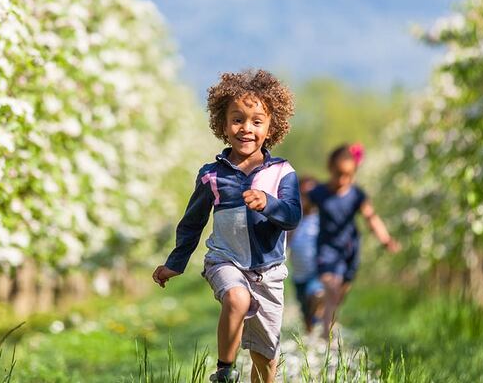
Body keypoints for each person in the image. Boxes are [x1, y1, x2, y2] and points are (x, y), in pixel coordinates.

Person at [152, 69, 300, 383]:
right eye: (237, 120)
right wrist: (175, 264)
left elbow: (292, 216)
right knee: (237, 297)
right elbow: (192, 223)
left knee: (265, 357)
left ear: (271, 127)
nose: (246, 128)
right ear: (222, 124)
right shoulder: (212, 175)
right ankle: (224, 371)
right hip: (225, 260)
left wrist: (268, 202)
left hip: (269, 271)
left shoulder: (282, 172)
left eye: (257, 121)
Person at [308, 143, 401, 341]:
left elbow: (371, 218)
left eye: (348, 175)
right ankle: (327, 336)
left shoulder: (357, 195)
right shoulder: (319, 193)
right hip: (326, 249)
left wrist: (385, 239)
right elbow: (300, 211)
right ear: (330, 169)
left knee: (339, 295)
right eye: (338, 174)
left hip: (349, 250)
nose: (342, 180)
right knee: (332, 289)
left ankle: (319, 302)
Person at [287, 175, 324, 334]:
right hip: (299, 274)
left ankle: (322, 323)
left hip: (318, 271)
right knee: (306, 312)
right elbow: (286, 242)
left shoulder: (321, 218)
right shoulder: (295, 219)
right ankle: (311, 335)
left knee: (317, 295)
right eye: (303, 194)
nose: (308, 198)